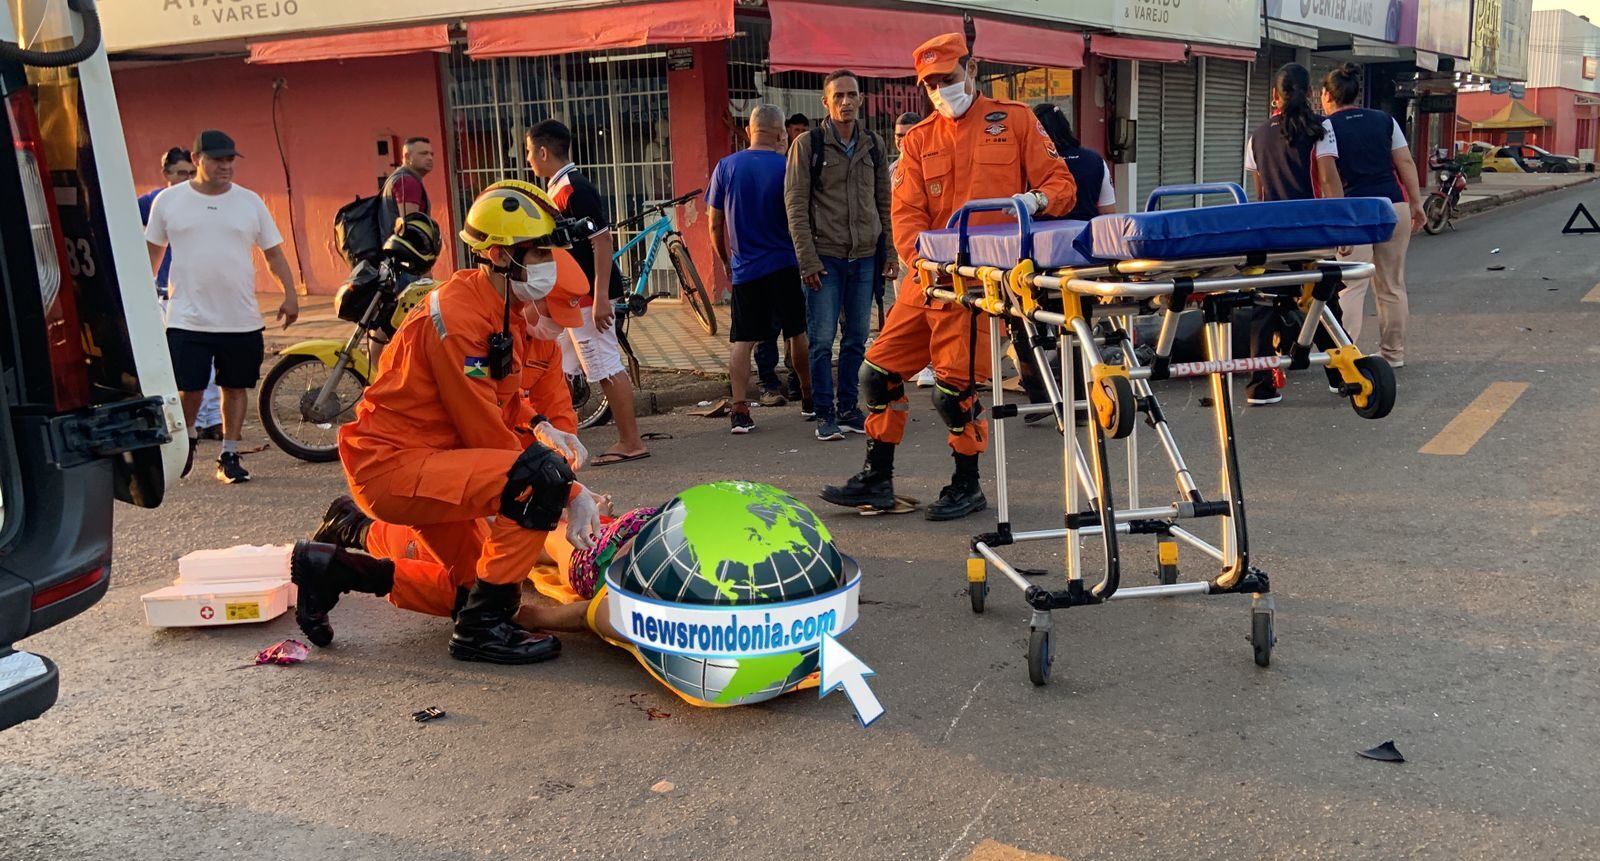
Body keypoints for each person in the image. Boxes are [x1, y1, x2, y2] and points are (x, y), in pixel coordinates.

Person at [291, 181, 603, 664]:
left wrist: (541, 424)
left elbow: (505, 401)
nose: (545, 263)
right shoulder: (458, 319)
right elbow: (484, 429)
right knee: (536, 481)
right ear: (500, 255)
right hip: (393, 466)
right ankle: (482, 632)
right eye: (538, 252)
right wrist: (568, 491)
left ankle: (335, 570)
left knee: (475, 590)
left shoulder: (501, 310)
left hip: (433, 461)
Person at [820, 32, 1075, 521]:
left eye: (948, 78)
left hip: (981, 283)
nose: (940, 90)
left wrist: (1035, 201)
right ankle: (877, 476)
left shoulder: (1015, 121)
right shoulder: (918, 140)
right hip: (929, 279)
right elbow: (907, 214)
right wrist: (921, 263)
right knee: (875, 374)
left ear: (972, 69)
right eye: (930, 83)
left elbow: (1061, 184)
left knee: (953, 390)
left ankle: (967, 483)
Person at [145, 129, 299, 484]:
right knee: (190, 390)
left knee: (235, 387)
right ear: (198, 160)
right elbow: (152, 253)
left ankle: (229, 453)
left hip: (241, 317)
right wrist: (140, 299)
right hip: (187, 316)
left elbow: (273, 253)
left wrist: (289, 293)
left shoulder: (250, 202)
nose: (225, 166)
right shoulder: (169, 202)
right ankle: (187, 444)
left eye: (230, 159)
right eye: (217, 159)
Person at [524, 121, 650, 465]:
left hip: (587, 297)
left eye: (529, 152)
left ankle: (630, 441)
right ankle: (557, 439)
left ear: (543, 151)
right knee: (556, 366)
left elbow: (602, 242)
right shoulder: (559, 188)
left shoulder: (573, 189)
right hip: (570, 298)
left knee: (604, 366)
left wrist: (597, 299)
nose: (528, 160)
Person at [784, 70, 894, 442]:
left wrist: (888, 252)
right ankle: (824, 413)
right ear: (825, 102)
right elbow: (795, 206)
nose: (846, 102)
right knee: (820, 339)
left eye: (852, 95)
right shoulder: (808, 145)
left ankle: (849, 408)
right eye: (839, 96)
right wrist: (808, 260)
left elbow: (884, 202)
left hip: (864, 257)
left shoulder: (874, 145)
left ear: (861, 99)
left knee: (857, 337)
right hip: (825, 258)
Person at [1241, 63, 1343, 405]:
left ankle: (1259, 386)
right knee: (1325, 301)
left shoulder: (1257, 135)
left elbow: (1259, 192)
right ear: (1311, 92)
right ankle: (1340, 375)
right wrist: (1341, 225)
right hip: (1311, 231)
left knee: (1264, 309)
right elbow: (1328, 181)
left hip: (1272, 233)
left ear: (1275, 96)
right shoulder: (1321, 129)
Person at [708, 105, 814, 435]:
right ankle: (809, 396)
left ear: (751, 130)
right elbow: (803, 217)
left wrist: (725, 258)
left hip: (746, 269)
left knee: (742, 339)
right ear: (780, 132)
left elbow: (714, 223)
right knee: (797, 332)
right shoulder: (787, 167)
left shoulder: (726, 166)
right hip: (785, 264)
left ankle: (739, 409)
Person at [1322, 63, 1424, 369]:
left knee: (1351, 285)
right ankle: (1393, 355)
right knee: (1391, 284)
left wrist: (1337, 220)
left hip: (1355, 212)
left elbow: (1329, 179)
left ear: (1327, 95)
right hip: (1393, 206)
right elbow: (1404, 161)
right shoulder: (1385, 120)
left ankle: (1345, 358)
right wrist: (1417, 203)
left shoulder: (1327, 127)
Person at [138, 146, 221, 440]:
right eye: (180, 173)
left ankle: (211, 419)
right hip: (165, 294)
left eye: (190, 172)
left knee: (206, 357)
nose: (186, 178)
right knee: (174, 361)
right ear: (166, 174)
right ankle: (184, 421)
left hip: (201, 290)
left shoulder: (206, 201)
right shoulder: (154, 202)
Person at [892, 112, 939, 390]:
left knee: (935, 312)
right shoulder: (891, 171)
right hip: (901, 259)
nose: (903, 141)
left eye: (909, 135)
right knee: (910, 316)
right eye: (899, 136)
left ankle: (935, 366)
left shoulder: (932, 165)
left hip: (930, 258)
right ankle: (920, 364)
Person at [380, 136, 436, 281]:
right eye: (423, 154)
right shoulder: (407, 182)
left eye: (431, 154)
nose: (430, 158)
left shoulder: (397, 178)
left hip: (395, 265)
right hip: (406, 267)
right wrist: (424, 269)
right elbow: (412, 229)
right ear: (406, 156)